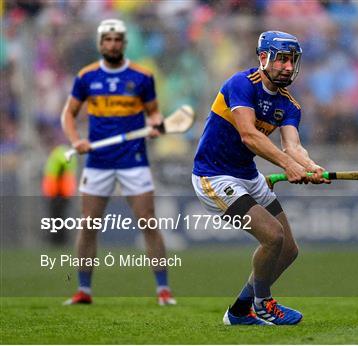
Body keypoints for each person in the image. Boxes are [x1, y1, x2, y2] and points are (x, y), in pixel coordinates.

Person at [192, 31, 329, 325]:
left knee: (289, 249)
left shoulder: (289, 105)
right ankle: (263, 303)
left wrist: (309, 165)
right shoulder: (241, 84)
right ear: (263, 58)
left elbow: (292, 146)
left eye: (292, 61)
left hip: (247, 176)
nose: (288, 67)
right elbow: (249, 135)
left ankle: (240, 312)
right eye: (281, 59)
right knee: (272, 235)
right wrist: (288, 165)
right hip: (213, 176)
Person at [61, 19, 176, 306]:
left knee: (148, 223)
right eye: (107, 40)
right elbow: (68, 115)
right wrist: (76, 141)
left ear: (124, 44)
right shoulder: (86, 77)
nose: (112, 44)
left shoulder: (142, 77)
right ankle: (83, 290)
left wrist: (155, 126)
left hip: (133, 160)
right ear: (100, 44)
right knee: (88, 225)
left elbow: (154, 115)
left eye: (117, 39)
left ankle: (163, 290)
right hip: (98, 161)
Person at [41, 144, 78, 246]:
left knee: (57, 218)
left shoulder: (58, 154)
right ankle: (59, 240)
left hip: (58, 193)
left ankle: (57, 241)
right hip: (60, 193)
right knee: (59, 218)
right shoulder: (64, 155)